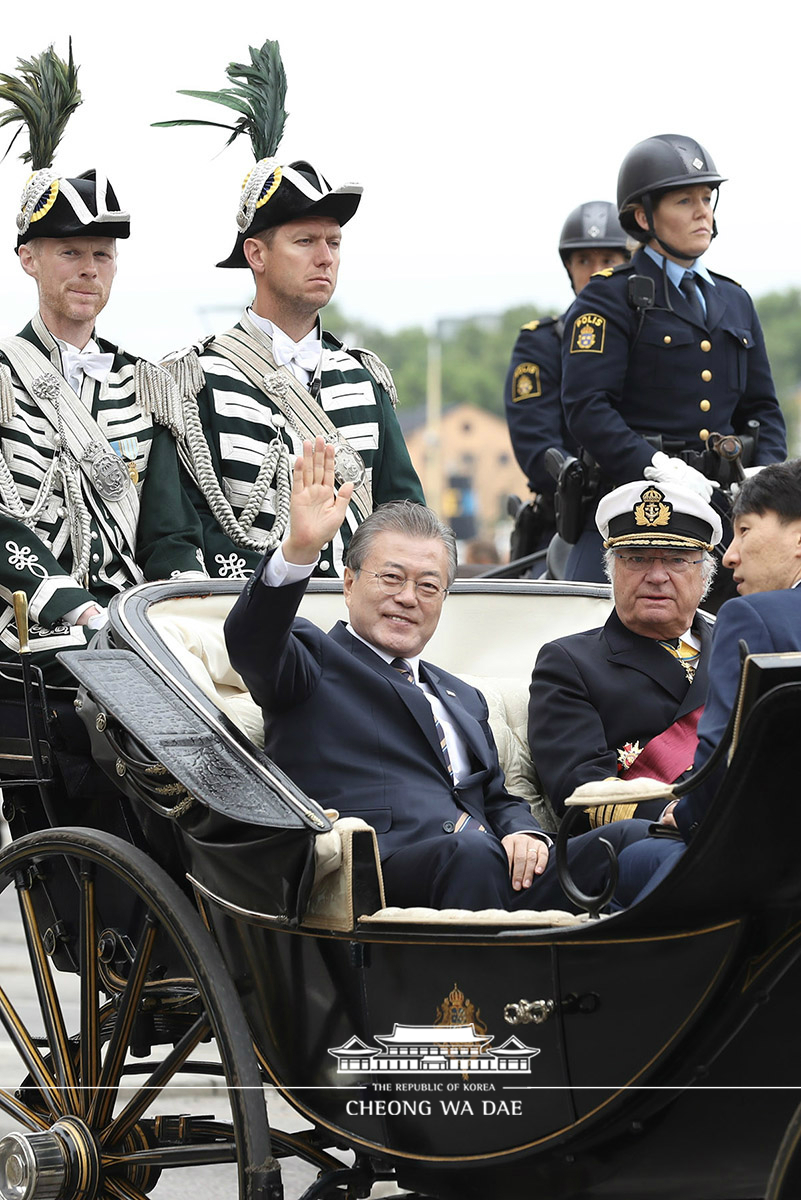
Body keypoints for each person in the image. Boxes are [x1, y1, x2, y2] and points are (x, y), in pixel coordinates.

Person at [224, 438, 649, 912]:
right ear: (349, 583)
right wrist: (299, 550)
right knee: (468, 855)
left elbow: (494, 795)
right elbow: (252, 642)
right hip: (385, 875)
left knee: (635, 840)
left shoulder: (461, 695)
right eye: (391, 578)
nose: (409, 597)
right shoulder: (310, 660)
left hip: (494, 864)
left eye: (428, 586)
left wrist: (524, 831)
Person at [0, 45, 205, 826]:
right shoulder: (3, 373)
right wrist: (76, 609)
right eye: (69, 252)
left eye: (101, 254)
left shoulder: (144, 382)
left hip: (136, 650)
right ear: (29, 259)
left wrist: (172, 608)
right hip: (37, 653)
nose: (88, 268)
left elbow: (169, 524)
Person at [160, 43, 423, 582]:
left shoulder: (363, 377)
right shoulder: (192, 381)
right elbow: (181, 534)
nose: (326, 256)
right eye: (305, 240)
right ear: (256, 255)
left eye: (334, 241)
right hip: (246, 627)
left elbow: (405, 514)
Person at [559, 133, 786, 584]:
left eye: (707, 197)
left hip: (719, 513)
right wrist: (654, 465)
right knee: (581, 626)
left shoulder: (734, 299)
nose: (704, 211)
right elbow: (587, 407)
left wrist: (765, 477)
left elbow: (764, 409)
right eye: (685, 201)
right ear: (643, 216)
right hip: (629, 510)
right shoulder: (608, 297)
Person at [613, 459, 801, 903]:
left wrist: (685, 813)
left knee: (627, 866)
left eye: (746, 530)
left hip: (768, 868)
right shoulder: (569, 660)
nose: (731, 554)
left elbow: (720, 770)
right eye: (637, 559)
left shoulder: (751, 616)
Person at [529, 479, 721, 827]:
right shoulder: (568, 663)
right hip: (643, 843)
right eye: (637, 559)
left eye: (677, 560)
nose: (657, 576)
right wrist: (670, 814)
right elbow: (578, 790)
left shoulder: (739, 650)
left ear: (704, 576)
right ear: (612, 570)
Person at [504, 201, 630, 557]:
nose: (596, 272)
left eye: (609, 260)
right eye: (584, 261)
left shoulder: (652, 340)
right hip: (572, 521)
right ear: (569, 268)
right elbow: (535, 445)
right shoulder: (542, 342)